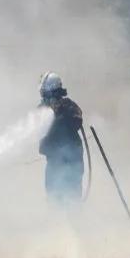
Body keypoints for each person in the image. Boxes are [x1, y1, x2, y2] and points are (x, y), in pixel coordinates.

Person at [37, 72, 84, 205]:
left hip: (72, 160)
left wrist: (59, 116)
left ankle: (75, 221)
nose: (43, 97)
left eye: (45, 93)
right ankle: (57, 222)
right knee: (53, 194)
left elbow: (77, 121)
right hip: (54, 161)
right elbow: (40, 136)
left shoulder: (68, 106)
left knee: (72, 195)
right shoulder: (42, 110)